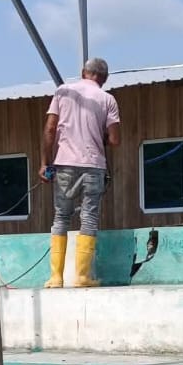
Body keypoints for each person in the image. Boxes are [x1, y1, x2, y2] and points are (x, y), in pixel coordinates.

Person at [41, 57, 121, 288]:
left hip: (64, 163)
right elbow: (115, 139)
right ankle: (82, 277)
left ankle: (56, 277)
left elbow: (50, 129)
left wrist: (45, 163)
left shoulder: (63, 92)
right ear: (104, 78)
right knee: (89, 217)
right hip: (94, 165)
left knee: (61, 217)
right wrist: (98, 137)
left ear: (83, 72)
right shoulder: (108, 99)